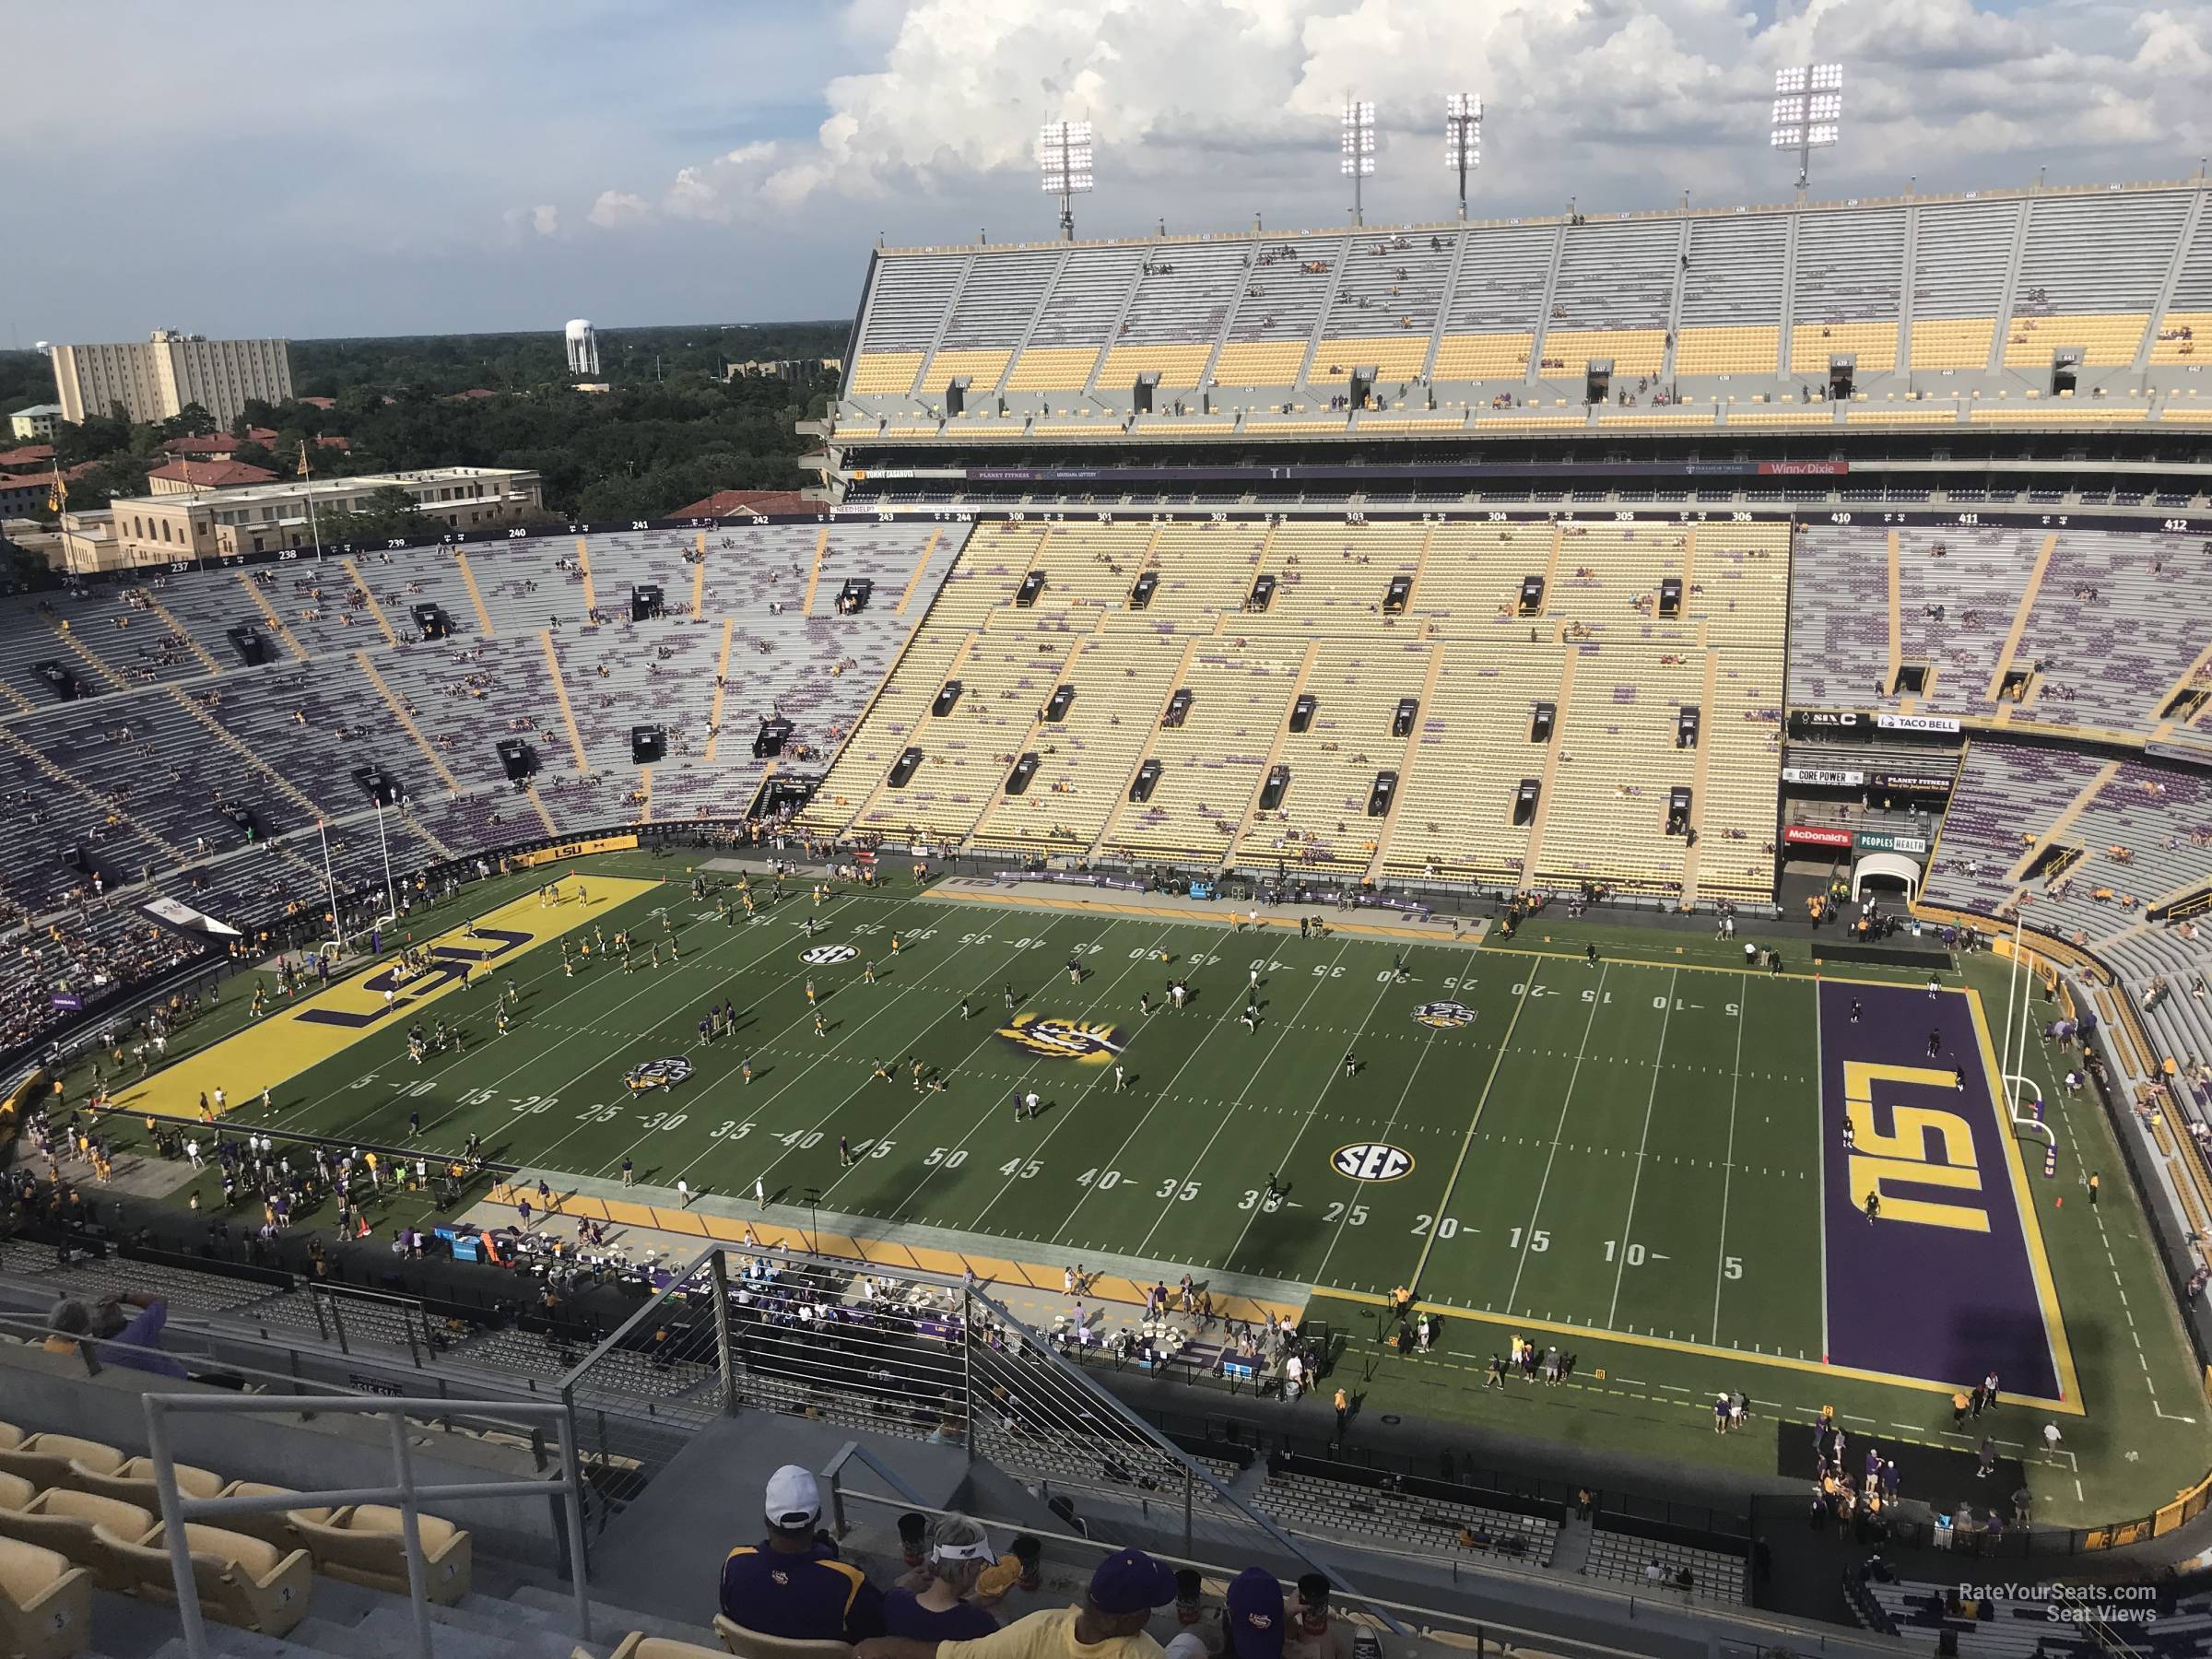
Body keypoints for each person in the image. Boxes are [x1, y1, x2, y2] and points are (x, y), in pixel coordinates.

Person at [857, 1546, 1178, 1659]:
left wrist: (891, 1646)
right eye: (1147, 1610)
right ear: (1126, 1619)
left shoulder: (1040, 1625)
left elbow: (957, 1654)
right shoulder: (1144, 1653)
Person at [721, 1465, 885, 1641]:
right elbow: (878, 1635)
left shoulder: (735, 1563)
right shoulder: (848, 1583)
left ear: (767, 1518)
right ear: (818, 1515)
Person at [880, 1513, 1001, 1641]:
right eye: (981, 1564)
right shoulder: (981, 1625)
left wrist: (979, 1600)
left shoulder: (895, 1600)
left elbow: (937, 1615)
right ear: (967, 1568)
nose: (980, 1571)